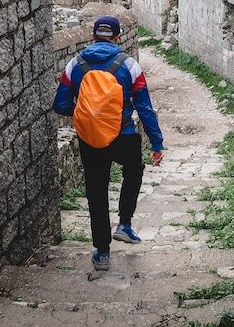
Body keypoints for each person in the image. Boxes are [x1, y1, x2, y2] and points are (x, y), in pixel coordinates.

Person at [52, 15, 164, 271]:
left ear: (93, 36)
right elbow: (145, 107)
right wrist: (156, 142)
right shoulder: (129, 65)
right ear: (117, 37)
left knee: (96, 191)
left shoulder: (74, 64)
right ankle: (125, 224)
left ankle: (102, 252)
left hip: (90, 138)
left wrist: (89, 114)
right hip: (123, 134)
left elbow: (60, 105)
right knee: (134, 170)